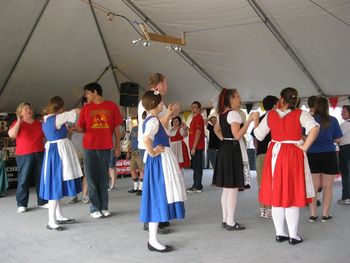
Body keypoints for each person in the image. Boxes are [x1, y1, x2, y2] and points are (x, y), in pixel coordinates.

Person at [253, 87, 319, 245]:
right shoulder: (300, 114)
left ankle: (280, 233)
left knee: (277, 194)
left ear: (281, 98)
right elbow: (315, 128)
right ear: (295, 100)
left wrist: (255, 119)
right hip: (293, 154)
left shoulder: (270, 115)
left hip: (275, 154)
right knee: (292, 194)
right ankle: (293, 235)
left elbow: (259, 135)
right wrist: (304, 147)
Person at [140, 90, 186, 252]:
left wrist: (172, 114)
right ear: (155, 104)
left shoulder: (154, 119)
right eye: (161, 103)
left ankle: (153, 239)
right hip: (159, 162)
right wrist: (153, 152)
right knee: (158, 196)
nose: (163, 105)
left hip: (160, 161)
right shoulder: (153, 121)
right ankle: (152, 240)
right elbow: (146, 139)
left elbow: (162, 130)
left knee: (159, 196)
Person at [137, 73, 180, 232]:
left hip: (158, 147)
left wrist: (170, 116)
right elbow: (152, 126)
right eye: (165, 83)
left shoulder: (158, 103)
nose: (167, 86)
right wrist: (168, 115)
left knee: (162, 184)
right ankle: (152, 220)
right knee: (155, 185)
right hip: (153, 149)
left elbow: (161, 126)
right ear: (158, 85)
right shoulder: (148, 102)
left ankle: (160, 216)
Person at [76, 82, 123, 219]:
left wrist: (118, 146)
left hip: (105, 147)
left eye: (87, 93)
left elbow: (116, 128)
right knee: (90, 178)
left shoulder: (111, 106)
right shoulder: (86, 108)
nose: (86, 96)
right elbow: (81, 127)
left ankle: (104, 207)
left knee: (103, 178)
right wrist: (74, 128)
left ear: (95, 92)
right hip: (89, 147)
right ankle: (94, 208)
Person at [39, 96, 83, 231]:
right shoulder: (58, 117)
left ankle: (58, 215)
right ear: (59, 107)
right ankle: (51, 221)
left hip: (55, 151)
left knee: (56, 182)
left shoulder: (47, 118)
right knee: (55, 183)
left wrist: (68, 131)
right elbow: (77, 111)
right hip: (58, 152)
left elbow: (57, 133)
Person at [212, 88, 253, 231]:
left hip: (225, 148)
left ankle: (225, 219)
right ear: (230, 99)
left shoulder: (221, 114)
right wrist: (248, 122)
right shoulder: (234, 114)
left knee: (226, 189)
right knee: (233, 188)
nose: (239, 100)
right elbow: (237, 135)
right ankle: (230, 222)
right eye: (237, 97)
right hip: (232, 150)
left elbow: (216, 130)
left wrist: (224, 139)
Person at [307, 96, 342, 222]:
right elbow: (338, 139)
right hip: (329, 155)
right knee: (328, 187)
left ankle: (313, 214)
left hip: (312, 155)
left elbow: (303, 137)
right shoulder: (332, 120)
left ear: (315, 106)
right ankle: (326, 215)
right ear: (327, 107)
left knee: (313, 187)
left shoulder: (309, 120)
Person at [8, 102, 48, 213]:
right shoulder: (17, 123)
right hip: (24, 155)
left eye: (30, 108)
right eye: (25, 109)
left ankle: (42, 201)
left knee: (41, 178)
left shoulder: (38, 123)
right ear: (20, 112)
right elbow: (12, 135)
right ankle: (21, 204)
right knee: (23, 179)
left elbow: (46, 136)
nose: (29, 110)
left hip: (40, 153)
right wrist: (19, 122)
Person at [251, 95, 278, 219]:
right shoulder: (276, 118)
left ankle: (262, 209)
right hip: (273, 154)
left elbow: (255, 137)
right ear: (274, 105)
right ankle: (271, 209)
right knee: (273, 183)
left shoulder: (261, 118)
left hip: (260, 154)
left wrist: (258, 149)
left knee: (261, 183)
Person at [68, 97, 89, 204]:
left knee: (87, 172)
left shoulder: (94, 115)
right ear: (84, 104)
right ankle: (73, 194)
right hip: (74, 148)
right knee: (73, 172)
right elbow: (67, 132)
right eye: (88, 103)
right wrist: (70, 132)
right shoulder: (74, 115)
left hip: (89, 148)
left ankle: (85, 194)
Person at [186, 101, 205, 193]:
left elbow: (198, 133)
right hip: (194, 145)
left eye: (195, 107)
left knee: (197, 166)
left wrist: (194, 147)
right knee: (195, 166)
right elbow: (193, 131)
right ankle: (196, 185)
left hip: (197, 146)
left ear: (199, 109)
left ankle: (197, 186)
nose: (193, 108)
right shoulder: (194, 118)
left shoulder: (198, 117)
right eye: (192, 106)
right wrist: (187, 128)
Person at [307, 95, 322, 207]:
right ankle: (317, 198)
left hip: (308, 151)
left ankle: (309, 198)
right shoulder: (324, 118)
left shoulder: (305, 116)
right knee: (320, 178)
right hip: (321, 151)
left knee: (309, 177)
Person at [126, 123, 144, 195]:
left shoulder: (144, 127)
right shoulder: (134, 128)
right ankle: (135, 187)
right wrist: (128, 151)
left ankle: (141, 188)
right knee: (132, 169)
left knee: (141, 170)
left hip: (140, 151)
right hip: (133, 152)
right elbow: (131, 141)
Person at [338, 105, 350, 204]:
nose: (342, 113)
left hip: (345, 149)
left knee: (345, 173)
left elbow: (338, 138)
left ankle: (346, 197)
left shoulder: (345, 124)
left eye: (344, 111)